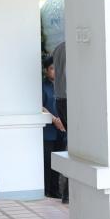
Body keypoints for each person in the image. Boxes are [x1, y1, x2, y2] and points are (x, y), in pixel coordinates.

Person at [42, 56, 67, 200]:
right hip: (48, 131)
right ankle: (46, 191)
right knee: (47, 162)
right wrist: (54, 119)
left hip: (61, 131)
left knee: (58, 162)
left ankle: (56, 191)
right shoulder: (42, 87)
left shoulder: (62, 86)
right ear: (46, 70)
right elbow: (40, 106)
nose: (55, 71)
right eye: (51, 68)